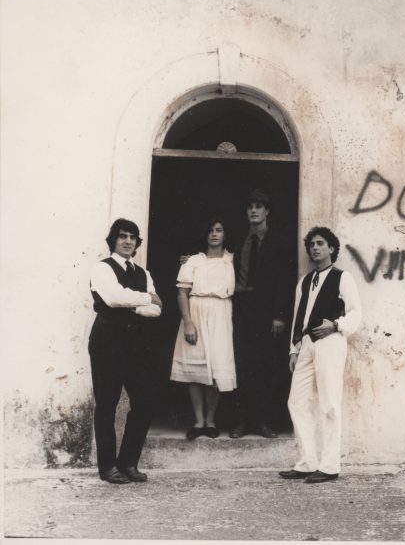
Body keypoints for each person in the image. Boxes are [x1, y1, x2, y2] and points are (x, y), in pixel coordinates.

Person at [279, 227, 361, 483]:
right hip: (306, 344)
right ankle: (307, 462)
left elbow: (356, 313)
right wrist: (294, 349)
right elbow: (299, 316)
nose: (315, 248)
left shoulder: (343, 278)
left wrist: (335, 325)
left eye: (320, 243)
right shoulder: (305, 281)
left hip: (331, 342)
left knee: (329, 402)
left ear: (331, 249)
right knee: (296, 401)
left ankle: (329, 466)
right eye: (312, 245)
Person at [88, 218, 162, 484]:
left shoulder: (143, 272)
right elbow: (112, 297)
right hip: (107, 342)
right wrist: (143, 298)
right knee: (107, 403)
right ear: (114, 240)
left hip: (136, 344)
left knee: (146, 400)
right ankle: (108, 467)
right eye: (123, 236)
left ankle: (128, 462)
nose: (128, 241)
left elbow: (157, 309)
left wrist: (132, 301)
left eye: (132, 237)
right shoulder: (102, 268)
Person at [230, 189, 293, 439]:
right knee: (242, 364)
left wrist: (280, 315)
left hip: (267, 310)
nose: (253, 211)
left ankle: (264, 420)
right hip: (241, 308)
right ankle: (244, 420)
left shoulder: (279, 242)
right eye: (250, 207)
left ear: (267, 211)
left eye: (258, 207)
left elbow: (285, 281)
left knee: (266, 365)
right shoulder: (239, 240)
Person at [171, 218, 237, 440]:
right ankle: (198, 421)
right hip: (196, 312)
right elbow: (182, 293)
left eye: (219, 230)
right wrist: (188, 322)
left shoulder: (231, 260)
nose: (214, 234)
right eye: (210, 230)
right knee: (195, 369)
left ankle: (211, 420)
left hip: (221, 313)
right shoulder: (193, 261)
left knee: (216, 367)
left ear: (225, 234)